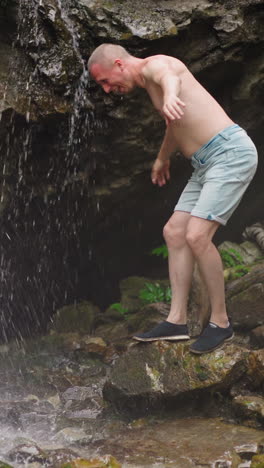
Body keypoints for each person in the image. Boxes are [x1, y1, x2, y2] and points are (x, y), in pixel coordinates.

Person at [88, 43, 258, 354]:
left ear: (118, 64)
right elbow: (174, 125)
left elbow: (171, 77)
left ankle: (221, 323)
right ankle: (177, 321)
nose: (108, 89)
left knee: (196, 236)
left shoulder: (156, 65)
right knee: (174, 232)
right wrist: (162, 158)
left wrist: (168, 96)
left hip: (230, 154)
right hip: (205, 163)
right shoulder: (150, 86)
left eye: (104, 81)